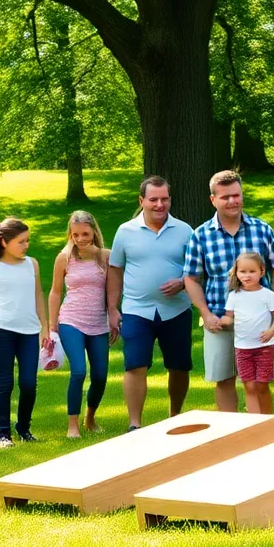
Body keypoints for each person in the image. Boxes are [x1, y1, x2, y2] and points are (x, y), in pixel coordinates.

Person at [183, 170, 274, 413]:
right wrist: (206, 314)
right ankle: (232, 432)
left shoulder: (261, 229)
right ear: (213, 200)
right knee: (224, 378)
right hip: (220, 319)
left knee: (259, 381)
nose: (232, 201)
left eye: (236, 195)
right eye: (225, 197)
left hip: (258, 323)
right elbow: (191, 277)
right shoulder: (201, 235)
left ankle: (264, 431)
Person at [108, 176, 194, 430]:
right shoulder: (125, 231)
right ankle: (135, 424)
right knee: (135, 364)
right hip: (136, 310)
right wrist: (113, 309)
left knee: (179, 367)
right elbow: (115, 270)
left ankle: (175, 417)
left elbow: (196, 269)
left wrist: (181, 282)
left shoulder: (184, 230)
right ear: (142, 200)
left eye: (164, 199)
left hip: (176, 309)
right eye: (153, 199)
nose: (159, 204)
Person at [0, 218, 49, 448]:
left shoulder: (32, 264)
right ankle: (3, 433)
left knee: (29, 383)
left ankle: (24, 428)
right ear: (4, 242)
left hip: (29, 332)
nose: (26, 245)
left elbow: (38, 295)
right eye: (21, 241)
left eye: (27, 240)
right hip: (1, 332)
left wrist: (44, 326)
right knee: (5, 383)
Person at [48, 211, 113, 438]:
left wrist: (114, 316)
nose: (81, 239)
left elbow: (113, 291)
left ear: (94, 232)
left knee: (100, 376)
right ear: (70, 235)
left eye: (85, 233)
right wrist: (51, 324)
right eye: (75, 235)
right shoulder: (63, 258)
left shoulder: (106, 256)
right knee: (78, 371)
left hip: (99, 323)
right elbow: (55, 292)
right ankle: (72, 425)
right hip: (71, 320)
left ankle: (90, 418)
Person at [222, 252, 274, 414]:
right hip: (242, 348)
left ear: (261, 272)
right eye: (242, 271)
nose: (247, 275)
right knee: (249, 385)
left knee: (262, 385)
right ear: (236, 272)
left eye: (252, 271)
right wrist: (223, 322)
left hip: (264, 347)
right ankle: (254, 421)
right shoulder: (234, 296)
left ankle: (268, 419)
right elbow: (229, 317)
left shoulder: (267, 295)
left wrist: (271, 331)